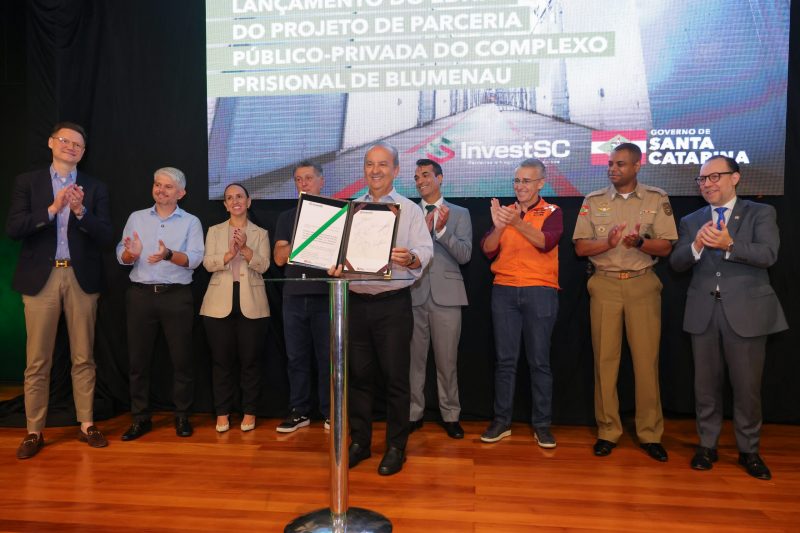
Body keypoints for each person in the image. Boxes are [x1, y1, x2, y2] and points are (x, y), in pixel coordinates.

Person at [670, 156, 787, 480]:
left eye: (714, 177)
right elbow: (677, 262)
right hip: (703, 313)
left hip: (747, 313)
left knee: (747, 387)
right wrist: (695, 245)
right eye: (702, 179)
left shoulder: (760, 212)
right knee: (705, 386)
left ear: (735, 178)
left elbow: (768, 255)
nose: (707, 184)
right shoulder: (692, 220)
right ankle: (707, 446)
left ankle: (749, 451)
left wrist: (730, 244)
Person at [6, 122, 113, 459]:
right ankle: (34, 431)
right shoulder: (28, 182)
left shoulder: (94, 188)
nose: (71, 147)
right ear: (52, 143)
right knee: (37, 361)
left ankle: (86, 424)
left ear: (83, 152)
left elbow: (106, 236)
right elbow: (14, 228)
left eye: (78, 144)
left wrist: (81, 211)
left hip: (81, 280)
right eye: (65, 141)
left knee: (84, 357)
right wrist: (52, 209)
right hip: (43, 279)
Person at [573, 142, 677, 461]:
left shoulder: (656, 199)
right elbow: (579, 248)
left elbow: (666, 247)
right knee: (605, 362)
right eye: (610, 164)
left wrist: (641, 242)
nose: (613, 169)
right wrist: (609, 242)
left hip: (642, 284)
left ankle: (649, 434)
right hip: (604, 286)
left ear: (636, 166)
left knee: (646, 362)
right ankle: (608, 431)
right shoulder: (594, 200)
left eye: (620, 164)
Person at [347, 142, 433, 476]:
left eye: (383, 164)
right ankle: (360, 443)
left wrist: (411, 258)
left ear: (396, 170)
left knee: (397, 380)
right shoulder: (351, 209)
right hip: (355, 302)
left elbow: (424, 251)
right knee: (358, 379)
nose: (375, 170)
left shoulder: (409, 210)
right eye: (370, 164)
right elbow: (340, 254)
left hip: (393, 305)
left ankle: (396, 447)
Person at [116, 167, 204, 440]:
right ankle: (140, 418)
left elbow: (194, 259)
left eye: (167, 187)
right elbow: (121, 254)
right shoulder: (136, 218)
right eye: (157, 185)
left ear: (181, 193)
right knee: (138, 362)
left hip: (176, 297)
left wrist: (167, 254)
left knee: (181, 361)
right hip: (140, 296)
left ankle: (182, 416)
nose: (160, 190)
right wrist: (131, 253)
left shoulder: (191, 222)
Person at [479, 158, 561, 448]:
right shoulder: (506, 212)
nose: (520, 186)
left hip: (540, 291)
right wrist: (500, 225)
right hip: (504, 291)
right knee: (505, 361)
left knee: (539, 362)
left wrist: (516, 223)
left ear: (541, 183)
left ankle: (542, 425)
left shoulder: (553, 211)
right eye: (517, 181)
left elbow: (546, 242)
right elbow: (488, 250)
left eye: (526, 181)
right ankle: (501, 422)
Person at [409, 159, 472, 439]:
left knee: (447, 362)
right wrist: (420, 231)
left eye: (425, 175)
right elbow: (400, 253)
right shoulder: (408, 213)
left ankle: (450, 415)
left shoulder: (460, 213)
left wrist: (443, 231)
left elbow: (465, 255)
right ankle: (413, 414)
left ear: (440, 178)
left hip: (448, 297)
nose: (420, 180)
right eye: (416, 177)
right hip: (413, 294)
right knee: (414, 361)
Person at [200, 183, 270, 433]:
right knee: (221, 362)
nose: (235, 201)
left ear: (248, 202)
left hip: (252, 303)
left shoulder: (260, 232)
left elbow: (264, 266)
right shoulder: (215, 231)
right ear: (225, 205)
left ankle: (249, 412)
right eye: (229, 198)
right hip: (218, 304)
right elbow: (208, 263)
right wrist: (229, 254)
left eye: (239, 196)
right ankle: (222, 413)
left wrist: (248, 251)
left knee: (251, 362)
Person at [273, 161, 331, 433]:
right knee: (296, 357)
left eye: (308, 178)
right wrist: (305, 235)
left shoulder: (335, 214)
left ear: (321, 181)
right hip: (294, 295)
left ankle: (331, 411)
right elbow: (280, 258)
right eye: (298, 179)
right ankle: (299, 411)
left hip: (326, 295)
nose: (303, 183)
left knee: (327, 357)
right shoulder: (286, 217)